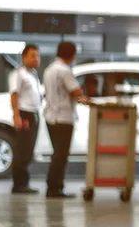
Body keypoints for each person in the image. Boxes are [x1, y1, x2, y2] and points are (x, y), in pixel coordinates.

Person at [42, 42, 87, 199]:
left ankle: (53, 186)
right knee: (61, 155)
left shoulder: (49, 70)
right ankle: (55, 188)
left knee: (57, 154)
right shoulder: (65, 71)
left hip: (51, 117)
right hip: (63, 118)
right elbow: (76, 91)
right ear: (72, 54)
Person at [9, 44, 43, 194]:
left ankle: (24, 183)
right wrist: (17, 115)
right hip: (24, 114)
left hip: (33, 113)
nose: (36, 59)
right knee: (22, 149)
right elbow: (14, 94)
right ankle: (19, 184)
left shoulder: (33, 74)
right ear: (24, 57)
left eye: (38, 55)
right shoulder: (18, 74)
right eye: (32, 55)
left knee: (28, 150)